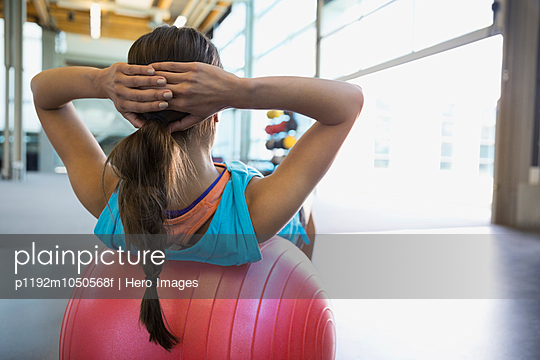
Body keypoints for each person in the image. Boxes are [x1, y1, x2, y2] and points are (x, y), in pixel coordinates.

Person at [31, 26, 363, 350]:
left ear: (130, 111)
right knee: (306, 210)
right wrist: (239, 90)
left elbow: (43, 94)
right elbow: (349, 102)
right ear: (215, 113)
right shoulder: (255, 211)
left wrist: (101, 81)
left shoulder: (111, 197)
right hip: (270, 231)